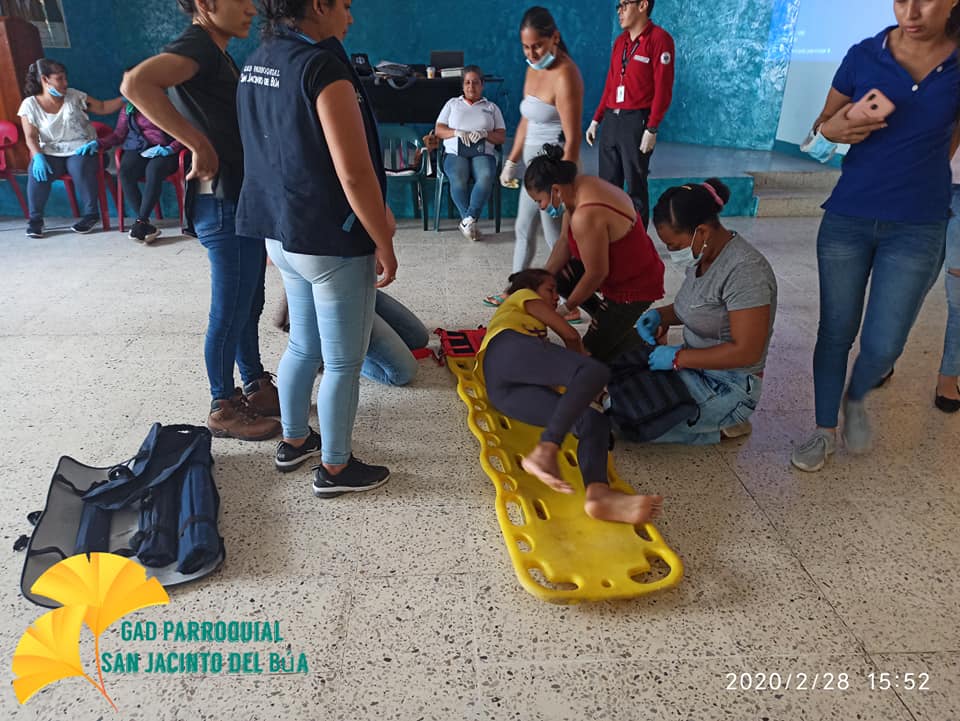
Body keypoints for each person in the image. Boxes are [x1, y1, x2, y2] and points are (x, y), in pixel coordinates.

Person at [235, 0, 397, 495]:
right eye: (345, 6)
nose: (350, 17)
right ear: (319, 5)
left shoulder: (257, 60)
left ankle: (294, 439)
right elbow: (355, 173)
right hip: (330, 241)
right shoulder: (322, 69)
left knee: (303, 345)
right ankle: (336, 469)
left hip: (281, 233)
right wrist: (383, 239)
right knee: (344, 363)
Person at [790, 0, 960, 472]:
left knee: (885, 343)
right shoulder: (864, 54)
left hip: (919, 223)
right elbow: (821, 127)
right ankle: (824, 430)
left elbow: (950, 140)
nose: (912, 11)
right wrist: (837, 127)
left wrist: (921, 174)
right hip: (849, 215)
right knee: (835, 330)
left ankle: (857, 397)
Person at [121, 0, 281, 442]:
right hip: (221, 201)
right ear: (206, 3)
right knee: (229, 311)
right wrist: (198, 144)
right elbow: (136, 83)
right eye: (240, 0)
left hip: (239, 197)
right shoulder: (198, 45)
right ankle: (222, 405)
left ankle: (254, 382)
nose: (251, 9)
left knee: (249, 302)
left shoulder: (217, 52)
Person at [479, 268, 664, 524]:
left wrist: (583, 386)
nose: (556, 297)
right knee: (596, 370)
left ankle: (598, 495)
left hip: (504, 394)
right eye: (550, 290)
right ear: (529, 290)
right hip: (503, 351)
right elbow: (570, 334)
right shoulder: (521, 296)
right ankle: (546, 450)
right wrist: (586, 371)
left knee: (593, 421)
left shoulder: (534, 340)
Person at [635, 179, 777, 444]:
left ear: (701, 232)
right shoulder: (702, 254)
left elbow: (747, 351)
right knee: (624, 379)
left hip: (729, 385)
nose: (672, 253)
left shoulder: (745, 271)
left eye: (674, 246)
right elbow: (700, 306)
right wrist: (661, 316)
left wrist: (679, 358)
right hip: (695, 367)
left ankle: (727, 422)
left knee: (632, 417)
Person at [525, 144, 665, 363]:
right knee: (558, 278)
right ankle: (609, 322)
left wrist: (564, 309)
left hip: (634, 285)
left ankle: (648, 339)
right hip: (617, 266)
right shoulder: (576, 186)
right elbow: (564, 242)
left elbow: (596, 273)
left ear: (555, 190)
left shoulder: (586, 213)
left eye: (539, 200)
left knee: (588, 356)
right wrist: (537, 282)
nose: (541, 207)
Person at [486, 6, 583, 317]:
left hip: (552, 172)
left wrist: (562, 187)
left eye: (537, 46)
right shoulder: (532, 69)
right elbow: (526, 121)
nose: (531, 53)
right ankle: (514, 291)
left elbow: (573, 137)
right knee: (524, 228)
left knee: (556, 238)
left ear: (555, 37)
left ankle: (573, 302)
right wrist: (512, 161)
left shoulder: (565, 74)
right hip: (532, 172)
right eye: (526, 47)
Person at [586, 0, 674, 229]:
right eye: (618, 6)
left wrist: (652, 128)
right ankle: (610, 236)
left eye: (625, 4)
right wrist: (596, 119)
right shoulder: (620, 42)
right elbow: (610, 84)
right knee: (607, 186)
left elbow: (663, 90)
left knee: (635, 187)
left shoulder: (659, 39)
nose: (619, 11)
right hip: (611, 120)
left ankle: (639, 241)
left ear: (643, 5)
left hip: (636, 121)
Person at [17, 59, 123, 237]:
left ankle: (91, 215)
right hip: (51, 152)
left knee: (80, 167)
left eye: (65, 78)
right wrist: (38, 156)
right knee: (37, 173)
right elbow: (30, 136)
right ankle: (35, 220)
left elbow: (103, 107)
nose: (65, 83)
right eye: (59, 79)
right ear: (45, 80)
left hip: (83, 149)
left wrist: (126, 98)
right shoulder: (30, 105)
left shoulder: (75, 96)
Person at [273, 289, 430, 387]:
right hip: (331, 297)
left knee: (418, 339)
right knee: (403, 373)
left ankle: (341, 344)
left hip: (359, 286)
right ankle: (332, 354)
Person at [98, 93, 185, 243]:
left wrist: (171, 148)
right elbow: (119, 135)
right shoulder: (129, 108)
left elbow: (185, 131)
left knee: (154, 170)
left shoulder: (168, 104)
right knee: (125, 172)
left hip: (166, 149)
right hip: (139, 148)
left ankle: (141, 221)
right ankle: (144, 223)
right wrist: (99, 143)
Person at [434, 65, 506, 241]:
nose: (471, 86)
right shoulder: (452, 104)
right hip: (455, 153)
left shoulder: (492, 107)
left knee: (486, 175)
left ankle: (468, 219)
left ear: (482, 85)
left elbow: (501, 137)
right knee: (458, 178)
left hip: (483, 153)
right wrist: (456, 132)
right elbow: (439, 130)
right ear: (462, 85)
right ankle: (469, 221)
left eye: (475, 82)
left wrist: (485, 134)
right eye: (467, 82)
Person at [936, 149, 960, 412]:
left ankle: (949, 374)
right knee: (908, 285)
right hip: (924, 183)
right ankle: (885, 360)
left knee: (959, 293)